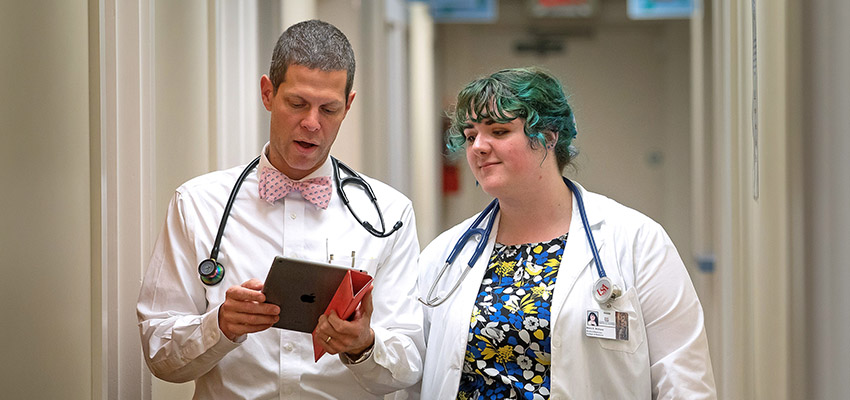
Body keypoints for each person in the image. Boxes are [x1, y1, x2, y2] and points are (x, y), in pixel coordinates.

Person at [137, 20, 424, 399]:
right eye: (297, 103)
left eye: (329, 109)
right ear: (268, 93)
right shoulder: (197, 204)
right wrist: (221, 325)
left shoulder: (389, 214)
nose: (312, 123)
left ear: (348, 106)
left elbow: (408, 365)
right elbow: (159, 354)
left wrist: (363, 345)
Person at [418, 67, 716, 399]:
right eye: (471, 136)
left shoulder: (637, 241)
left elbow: (683, 379)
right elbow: (413, 377)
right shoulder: (445, 254)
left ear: (547, 136)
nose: (478, 147)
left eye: (499, 131)